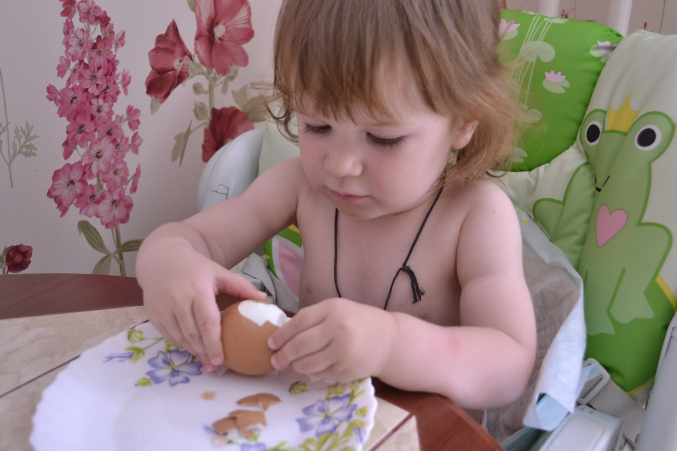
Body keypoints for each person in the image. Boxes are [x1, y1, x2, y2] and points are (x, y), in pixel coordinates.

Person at [136, 0, 536, 410]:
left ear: (464, 121)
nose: (340, 166)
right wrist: (169, 263)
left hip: (426, 433)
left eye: (382, 138)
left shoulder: (476, 216)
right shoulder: (299, 186)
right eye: (317, 126)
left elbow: (509, 366)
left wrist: (390, 345)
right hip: (311, 421)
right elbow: (189, 239)